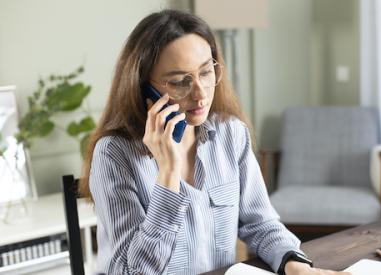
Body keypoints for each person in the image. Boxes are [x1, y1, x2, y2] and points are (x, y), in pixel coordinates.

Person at [80, 9, 350, 275]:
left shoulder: (231, 134)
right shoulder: (113, 155)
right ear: (143, 87)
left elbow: (261, 224)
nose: (200, 95)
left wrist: (295, 264)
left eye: (206, 72)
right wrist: (169, 175)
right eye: (179, 81)